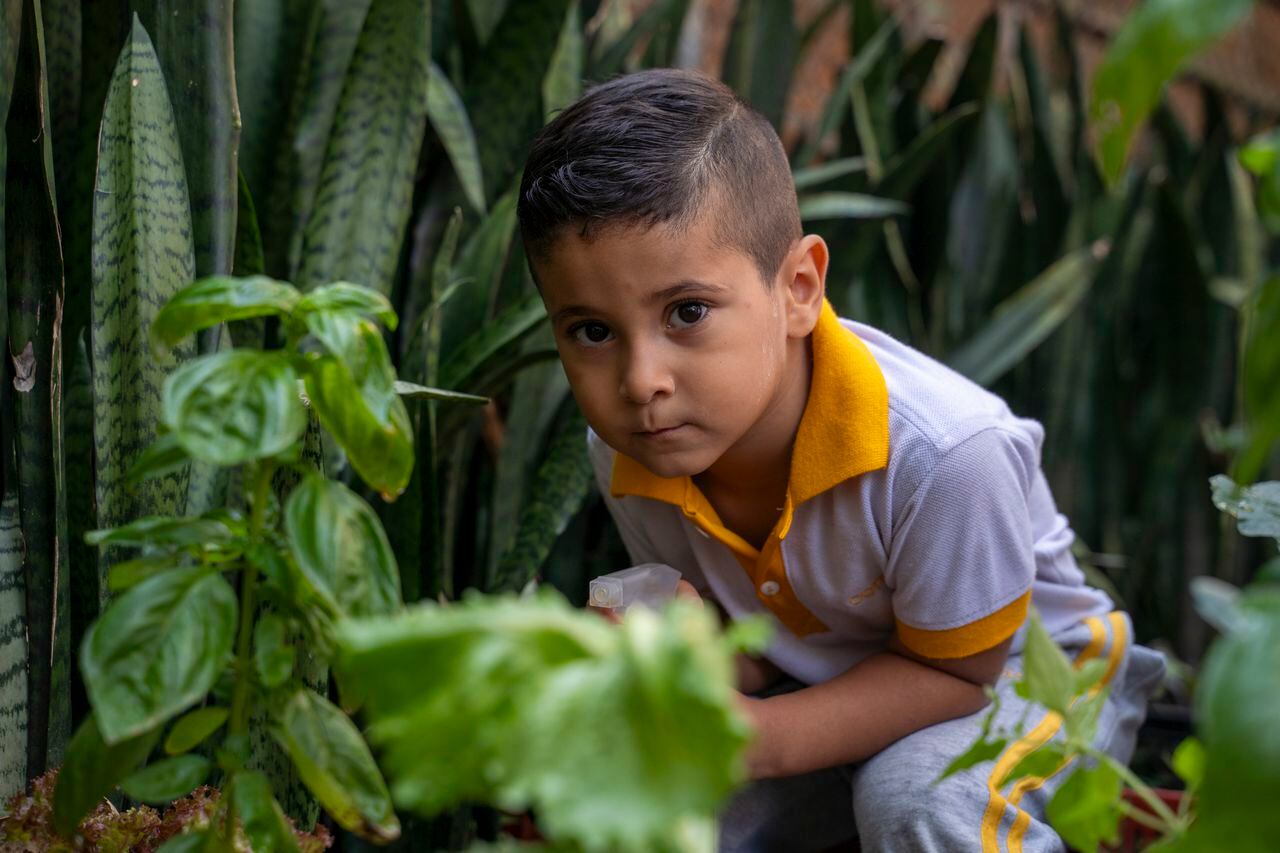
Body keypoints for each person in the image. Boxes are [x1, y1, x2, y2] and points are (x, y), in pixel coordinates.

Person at [516, 68, 1164, 853]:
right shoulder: (630, 449)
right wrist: (691, 655)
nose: (640, 380)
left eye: (687, 313)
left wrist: (766, 735)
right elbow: (747, 649)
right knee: (650, 815)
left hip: (1032, 680)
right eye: (590, 330)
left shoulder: (944, 454)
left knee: (915, 802)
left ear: (798, 287)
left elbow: (960, 676)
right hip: (825, 687)